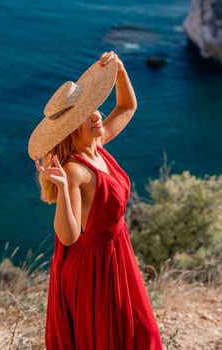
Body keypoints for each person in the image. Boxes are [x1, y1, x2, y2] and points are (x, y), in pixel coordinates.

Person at [28, 51, 164, 349]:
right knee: (107, 339)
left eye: (94, 108)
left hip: (118, 251)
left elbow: (127, 107)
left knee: (142, 334)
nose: (96, 115)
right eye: (85, 114)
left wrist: (120, 73)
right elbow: (68, 236)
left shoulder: (97, 146)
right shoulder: (75, 170)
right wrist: (63, 189)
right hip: (92, 266)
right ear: (70, 131)